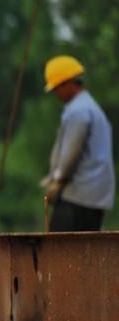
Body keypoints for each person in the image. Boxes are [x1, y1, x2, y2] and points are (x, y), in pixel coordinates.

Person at [40, 55, 115, 231]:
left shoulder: (78, 111)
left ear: (67, 84)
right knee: (86, 253)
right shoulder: (92, 108)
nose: (56, 94)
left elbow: (71, 152)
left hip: (78, 195)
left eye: (56, 88)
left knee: (61, 252)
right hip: (96, 195)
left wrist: (57, 180)